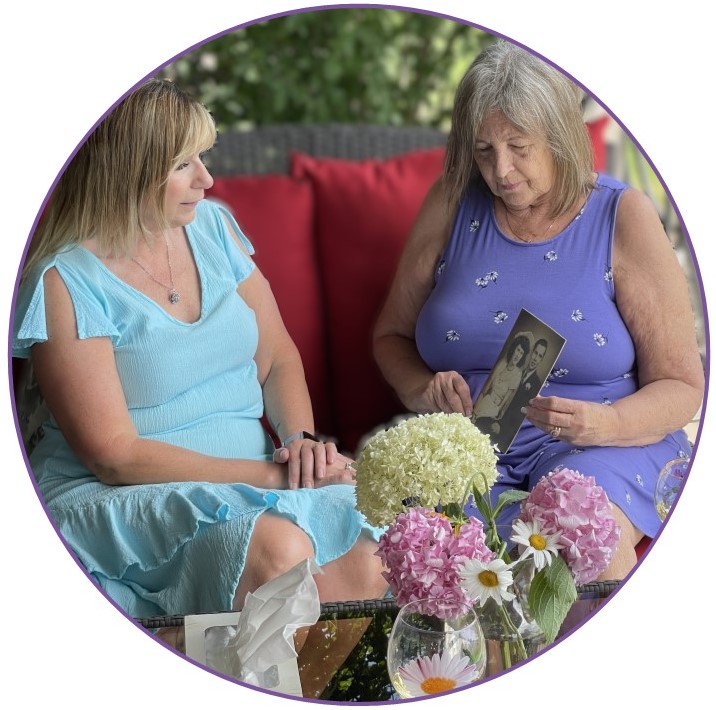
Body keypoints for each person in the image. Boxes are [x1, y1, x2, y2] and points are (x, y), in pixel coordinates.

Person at [12, 78, 387, 619]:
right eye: (183, 164)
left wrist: (301, 444)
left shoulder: (212, 229)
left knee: (375, 549)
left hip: (249, 478)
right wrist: (273, 478)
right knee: (283, 555)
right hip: (125, 497)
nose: (207, 179)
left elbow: (277, 355)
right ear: (128, 169)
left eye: (202, 158)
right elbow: (114, 456)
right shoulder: (65, 281)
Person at [372, 41, 704, 580]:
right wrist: (418, 389)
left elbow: (684, 385)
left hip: (607, 442)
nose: (500, 171)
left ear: (559, 136)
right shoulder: (453, 202)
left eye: (518, 147)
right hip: (475, 450)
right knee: (432, 561)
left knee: (579, 539)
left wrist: (609, 424)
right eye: (484, 150)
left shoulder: (622, 215)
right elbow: (391, 337)